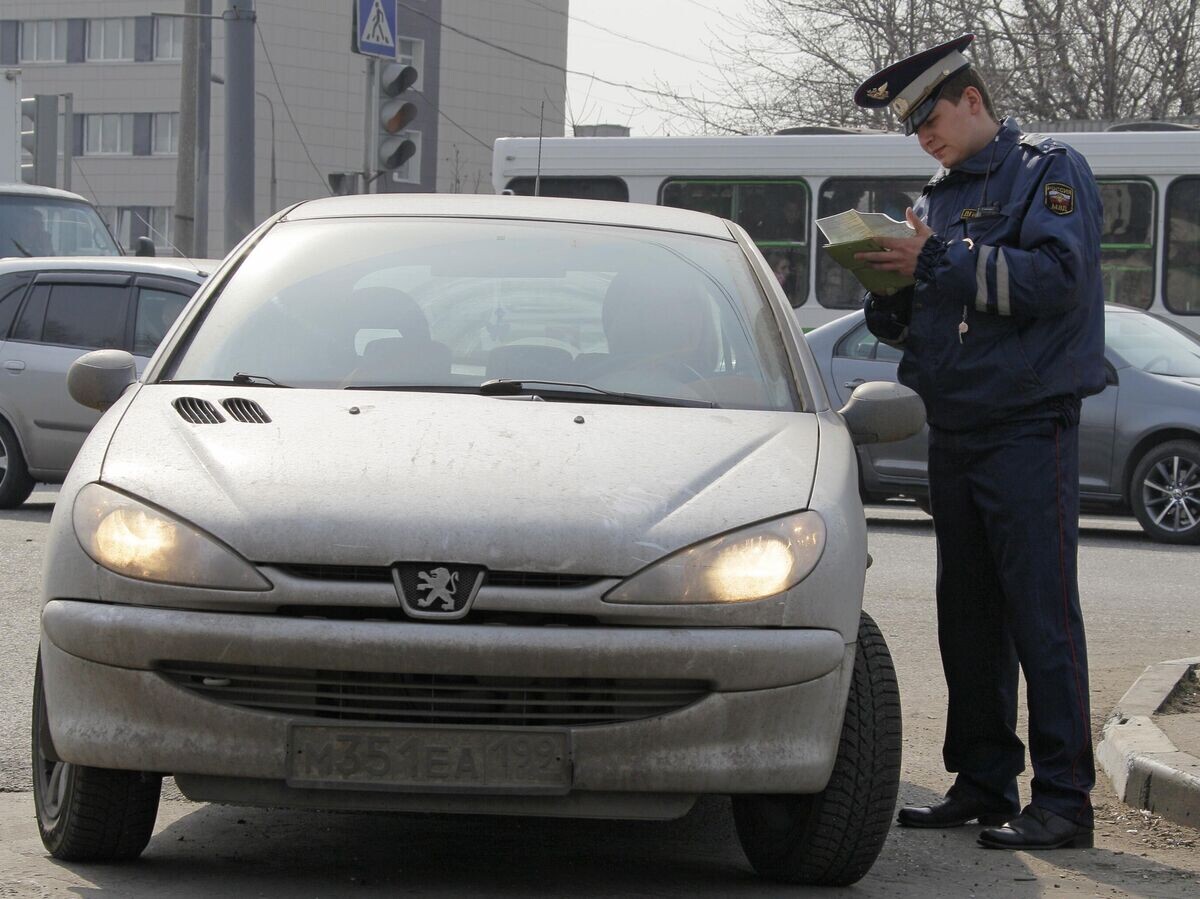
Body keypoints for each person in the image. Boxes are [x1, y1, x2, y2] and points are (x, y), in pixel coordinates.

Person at [852, 34, 1106, 851]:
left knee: (1041, 614)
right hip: (956, 423)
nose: (923, 135)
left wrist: (943, 257)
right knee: (966, 613)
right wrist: (888, 291)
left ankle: (1064, 797)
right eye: (913, 128)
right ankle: (984, 778)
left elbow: (1057, 282)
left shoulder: (1048, 171)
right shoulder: (939, 194)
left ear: (970, 100)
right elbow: (934, 310)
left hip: (1029, 423)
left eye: (929, 117)